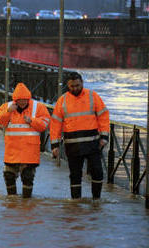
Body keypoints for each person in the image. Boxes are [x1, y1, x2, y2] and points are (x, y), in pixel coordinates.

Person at [50, 72, 109, 201]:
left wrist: (104, 137)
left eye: (77, 85)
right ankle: (75, 203)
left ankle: (96, 201)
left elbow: (103, 116)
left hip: (93, 143)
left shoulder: (92, 96)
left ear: (82, 82)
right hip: (72, 145)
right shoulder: (63, 100)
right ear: (67, 85)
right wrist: (55, 145)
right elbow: (55, 124)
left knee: (97, 172)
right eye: (72, 86)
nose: (75, 88)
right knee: (75, 175)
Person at [0, 82, 50, 198]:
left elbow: (45, 124)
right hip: (12, 151)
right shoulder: (7, 107)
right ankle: (12, 202)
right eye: (20, 100)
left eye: (25, 100)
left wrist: (32, 121)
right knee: (8, 176)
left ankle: (26, 204)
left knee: (28, 178)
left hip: (29, 152)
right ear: (15, 100)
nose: (23, 102)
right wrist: (8, 112)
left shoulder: (38, 107)